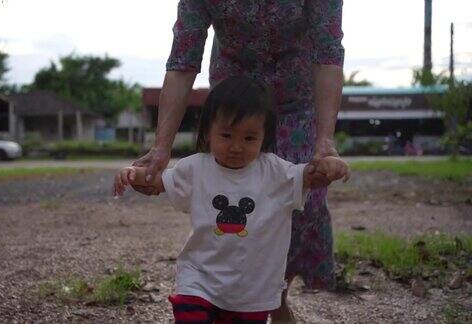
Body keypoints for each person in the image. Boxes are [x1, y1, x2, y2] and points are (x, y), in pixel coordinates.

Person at [132, 1, 345, 322]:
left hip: (296, 96)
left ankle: (273, 293)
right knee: (236, 194)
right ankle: (225, 289)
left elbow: (328, 53)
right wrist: (161, 148)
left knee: (304, 201)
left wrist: (325, 140)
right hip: (233, 98)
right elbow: (182, 61)